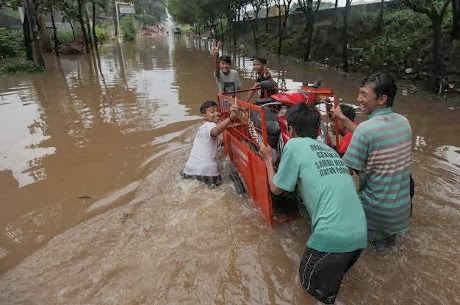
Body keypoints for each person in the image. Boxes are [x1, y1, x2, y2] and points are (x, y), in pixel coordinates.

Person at [260, 103, 367, 305]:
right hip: (360, 237)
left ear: (290, 129)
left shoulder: (293, 145)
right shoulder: (331, 150)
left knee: (304, 291)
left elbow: (276, 188)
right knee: (326, 293)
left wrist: (267, 159)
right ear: (318, 130)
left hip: (332, 238)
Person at [331, 72, 412, 251]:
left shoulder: (366, 130)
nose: (359, 99)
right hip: (401, 210)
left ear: (382, 98)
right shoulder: (404, 123)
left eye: (364, 95)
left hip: (376, 211)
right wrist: (344, 119)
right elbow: (373, 135)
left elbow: (344, 171)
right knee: (386, 250)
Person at [182, 101, 239, 187]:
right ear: (204, 116)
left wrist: (221, 142)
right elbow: (215, 131)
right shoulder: (210, 125)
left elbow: (209, 140)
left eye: (217, 111)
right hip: (208, 171)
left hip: (189, 170)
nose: (217, 113)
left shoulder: (202, 127)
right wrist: (231, 117)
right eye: (212, 112)